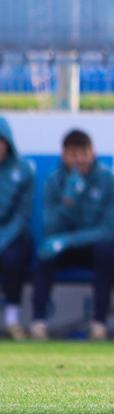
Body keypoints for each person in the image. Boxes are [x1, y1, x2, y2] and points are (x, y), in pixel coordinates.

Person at [31, 130, 114, 341]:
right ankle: (38, 323)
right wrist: (68, 200)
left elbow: (107, 230)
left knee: (106, 253)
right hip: (64, 248)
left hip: (90, 245)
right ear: (63, 155)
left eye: (84, 154)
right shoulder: (53, 181)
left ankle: (99, 323)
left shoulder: (108, 180)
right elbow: (50, 227)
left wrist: (68, 240)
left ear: (93, 153)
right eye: (73, 155)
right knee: (45, 255)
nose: (79, 160)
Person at [0, 117, 35, 339]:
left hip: (14, 238)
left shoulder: (24, 170)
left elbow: (22, 216)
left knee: (12, 258)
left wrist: (2, 241)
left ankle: (12, 320)